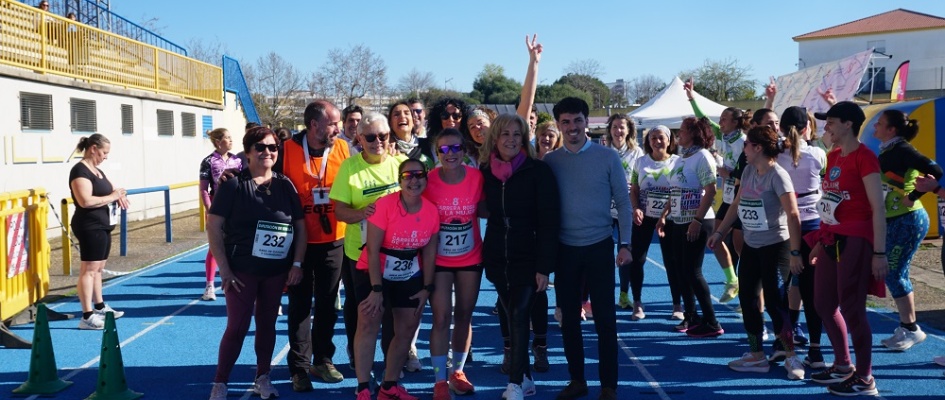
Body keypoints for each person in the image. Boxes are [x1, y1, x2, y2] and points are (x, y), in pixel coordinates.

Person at [207, 127, 306, 400]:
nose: (267, 152)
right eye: (260, 147)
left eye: (273, 148)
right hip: (242, 271)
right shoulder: (233, 184)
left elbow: (300, 227)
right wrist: (224, 269)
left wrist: (296, 264)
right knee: (237, 327)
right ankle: (220, 382)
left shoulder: (285, 185)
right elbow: (214, 226)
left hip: (275, 272)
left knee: (267, 325)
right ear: (248, 152)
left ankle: (262, 377)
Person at [543, 97, 631, 400]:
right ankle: (577, 381)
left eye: (577, 120)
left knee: (606, 321)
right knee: (569, 320)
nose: (572, 127)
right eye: (565, 122)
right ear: (558, 125)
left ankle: (609, 386)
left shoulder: (607, 157)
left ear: (586, 122)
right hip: (565, 250)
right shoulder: (550, 162)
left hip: (599, 248)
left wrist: (626, 244)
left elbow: (623, 202)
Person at [709, 125, 805, 380]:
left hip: (776, 246)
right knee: (748, 299)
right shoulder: (749, 170)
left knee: (776, 301)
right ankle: (756, 354)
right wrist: (720, 233)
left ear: (758, 148)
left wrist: (796, 252)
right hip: (752, 245)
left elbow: (794, 215)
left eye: (747, 145)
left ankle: (791, 355)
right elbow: (737, 204)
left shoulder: (778, 175)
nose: (744, 149)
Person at [806, 101, 886, 396]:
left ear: (849, 124)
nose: (826, 126)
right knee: (823, 303)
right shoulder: (834, 155)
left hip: (856, 241)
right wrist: (819, 241)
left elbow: (878, 208)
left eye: (831, 121)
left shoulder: (865, 158)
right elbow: (829, 204)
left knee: (853, 308)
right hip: (831, 239)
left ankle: (865, 378)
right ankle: (843, 365)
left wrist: (879, 252)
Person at [481, 113, 559, 400]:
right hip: (497, 256)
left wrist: (544, 267)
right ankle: (525, 378)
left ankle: (514, 383)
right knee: (509, 311)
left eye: (517, 134)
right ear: (495, 138)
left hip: (529, 255)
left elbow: (550, 222)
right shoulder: (486, 170)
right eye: (505, 134)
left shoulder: (538, 171)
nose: (511, 140)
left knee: (518, 314)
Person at [275, 100, 351, 391]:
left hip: (335, 238)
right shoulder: (287, 149)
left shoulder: (343, 148)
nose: (338, 127)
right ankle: (299, 368)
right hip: (299, 243)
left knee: (329, 304)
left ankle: (323, 359)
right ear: (314, 125)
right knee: (299, 306)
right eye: (333, 123)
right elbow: (264, 171)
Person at [330, 112, 405, 392]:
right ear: (359, 138)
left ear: (390, 137)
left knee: (394, 317)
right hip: (360, 254)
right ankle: (363, 380)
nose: (377, 142)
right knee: (368, 316)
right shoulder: (350, 168)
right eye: (370, 137)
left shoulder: (399, 164)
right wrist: (363, 213)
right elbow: (339, 211)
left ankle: (390, 375)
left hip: (398, 255)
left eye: (382, 136)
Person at [352, 158, 438, 400]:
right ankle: (363, 387)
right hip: (373, 270)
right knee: (368, 324)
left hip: (408, 271)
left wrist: (428, 287)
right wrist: (376, 289)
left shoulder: (431, 210)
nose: (414, 180)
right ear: (399, 181)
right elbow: (372, 249)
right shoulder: (385, 205)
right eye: (407, 176)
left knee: (407, 327)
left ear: (426, 178)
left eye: (419, 175)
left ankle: (389, 385)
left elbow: (430, 252)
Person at [422, 129, 484, 399]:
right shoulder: (428, 181)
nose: (451, 154)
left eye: (456, 148)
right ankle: (439, 380)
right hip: (439, 259)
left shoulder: (476, 177)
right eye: (444, 150)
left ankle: (457, 372)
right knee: (441, 317)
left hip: (470, 257)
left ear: (463, 150)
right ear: (437, 153)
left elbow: (486, 209)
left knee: (464, 316)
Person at [873, 109, 942, 351]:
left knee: (894, 272)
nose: (875, 128)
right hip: (894, 219)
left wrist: (914, 195)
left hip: (908, 219)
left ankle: (911, 328)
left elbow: (935, 170)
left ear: (891, 130)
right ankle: (906, 326)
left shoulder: (902, 149)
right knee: (892, 272)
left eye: (879, 124)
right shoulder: (889, 149)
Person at [684, 78, 750, 304]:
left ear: (736, 122)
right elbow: (704, 120)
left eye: (724, 119)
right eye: (720, 119)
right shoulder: (723, 137)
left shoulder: (744, 141)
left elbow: (749, 170)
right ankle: (733, 280)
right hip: (729, 198)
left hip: (742, 200)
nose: (720, 123)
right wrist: (691, 97)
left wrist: (728, 174)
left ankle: (751, 290)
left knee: (742, 250)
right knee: (716, 238)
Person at [658, 116, 724, 338]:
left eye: (683, 131)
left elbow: (711, 189)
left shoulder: (703, 156)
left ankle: (712, 321)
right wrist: (664, 214)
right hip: (677, 220)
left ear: (695, 133)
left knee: (693, 271)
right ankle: (692, 315)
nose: (679, 135)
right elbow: (674, 190)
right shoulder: (680, 158)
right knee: (680, 270)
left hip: (697, 220)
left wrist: (696, 220)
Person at [775, 106, 828, 368]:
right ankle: (816, 351)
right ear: (807, 127)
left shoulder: (775, 154)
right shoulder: (818, 153)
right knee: (810, 290)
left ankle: (784, 344)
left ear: (781, 128)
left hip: (784, 226)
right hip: (812, 225)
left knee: (784, 287)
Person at [69, 134, 129, 330]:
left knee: (98, 269)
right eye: (104, 152)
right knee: (89, 269)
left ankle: (100, 306)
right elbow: (85, 201)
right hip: (89, 226)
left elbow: (113, 190)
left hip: (103, 225)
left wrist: (119, 194)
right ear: (93, 148)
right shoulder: (80, 171)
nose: (105, 156)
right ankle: (87, 315)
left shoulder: (97, 171)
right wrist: (112, 196)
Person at [628, 125, 678, 321]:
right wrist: (636, 208)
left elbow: (678, 191)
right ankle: (637, 303)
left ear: (669, 140)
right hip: (644, 217)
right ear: (648, 142)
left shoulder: (677, 162)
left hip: (669, 219)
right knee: (637, 259)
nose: (657, 142)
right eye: (653, 138)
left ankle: (677, 304)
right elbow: (634, 189)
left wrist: (665, 214)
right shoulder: (641, 162)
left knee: (671, 261)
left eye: (661, 138)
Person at [604, 113, 644, 312]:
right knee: (601, 252)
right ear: (609, 130)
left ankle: (624, 294)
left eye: (622, 127)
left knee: (626, 252)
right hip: (605, 211)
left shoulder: (637, 153)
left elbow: (640, 182)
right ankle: (600, 293)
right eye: (614, 127)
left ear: (629, 130)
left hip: (627, 209)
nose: (618, 131)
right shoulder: (602, 152)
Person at [198, 128, 243, 301]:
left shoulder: (237, 160)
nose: (231, 141)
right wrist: (210, 209)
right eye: (228, 138)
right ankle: (209, 285)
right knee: (214, 246)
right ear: (218, 142)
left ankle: (237, 281)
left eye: (232, 138)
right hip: (218, 208)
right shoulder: (208, 161)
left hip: (237, 209)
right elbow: (203, 189)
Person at [390, 100, 434, 169]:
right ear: (390, 123)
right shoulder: (388, 149)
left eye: (406, 113)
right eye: (397, 114)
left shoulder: (428, 144)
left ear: (413, 121)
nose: (402, 116)